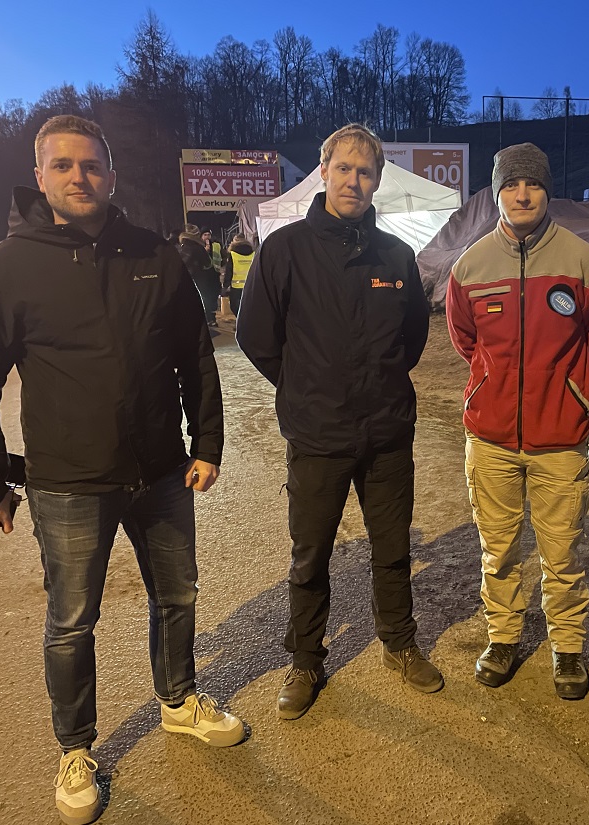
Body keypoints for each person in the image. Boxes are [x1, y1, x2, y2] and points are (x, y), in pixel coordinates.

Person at [0, 114, 245, 825]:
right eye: (64, 166)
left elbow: (195, 356)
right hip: (68, 483)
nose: (80, 177)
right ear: (41, 176)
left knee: (179, 595)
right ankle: (75, 748)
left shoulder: (155, 254)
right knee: (71, 620)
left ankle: (177, 700)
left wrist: (207, 443)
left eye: (93, 165)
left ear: (111, 174)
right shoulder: (8, 267)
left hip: (162, 475)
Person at [237, 123, 442, 720]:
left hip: (385, 434)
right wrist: (304, 388)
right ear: (323, 171)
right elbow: (257, 338)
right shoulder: (285, 250)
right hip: (318, 435)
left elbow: (411, 339)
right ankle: (305, 660)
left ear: (378, 181)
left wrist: (373, 386)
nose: (354, 180)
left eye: (366, 172)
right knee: (310, 555)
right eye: (344, 168)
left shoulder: (396, 255)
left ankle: (400, 645)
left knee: (392, 548)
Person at [445, 143, 589, 700]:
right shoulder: (469, 267)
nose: (522, 195)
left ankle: (567, 647)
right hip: (490, 439)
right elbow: (465, 341)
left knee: (561, 553)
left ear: (547, 191)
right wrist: (494, 387)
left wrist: (567, 389)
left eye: (534, 185)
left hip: (559, 439)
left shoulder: (584, 263)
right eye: (511, 185)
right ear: (497, 191)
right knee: (498, 550)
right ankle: (504, 637)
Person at [179, 224, 221, 327]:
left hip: (184, 279)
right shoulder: (198, 247)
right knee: (204, 299)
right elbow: (207, 263)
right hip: (199, 279)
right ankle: (208, 320)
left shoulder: (180, 247)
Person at [221, 233, 254, 318]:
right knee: (248, 306)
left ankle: (241, 321)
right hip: (250, 285)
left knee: (235, 306)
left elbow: (229, 271)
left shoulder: (233, 254)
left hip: (236, 286)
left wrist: (225, 285)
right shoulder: (253, 253)